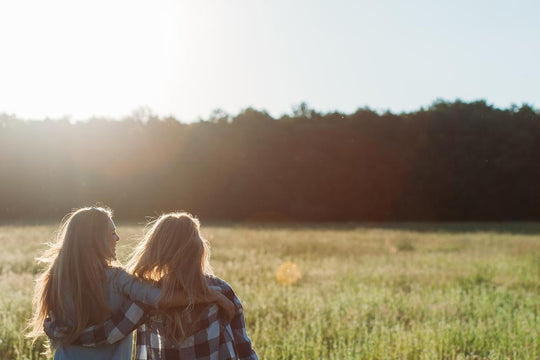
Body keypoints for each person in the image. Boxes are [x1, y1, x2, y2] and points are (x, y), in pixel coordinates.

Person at [29, 206, 232, 360]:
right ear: (95, 239)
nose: (117, 238)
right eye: (112, 233)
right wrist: (211, 295)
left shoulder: (55, 277)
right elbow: (159, 299)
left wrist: (68, 336)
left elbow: (56, 327)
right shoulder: (118, 279)